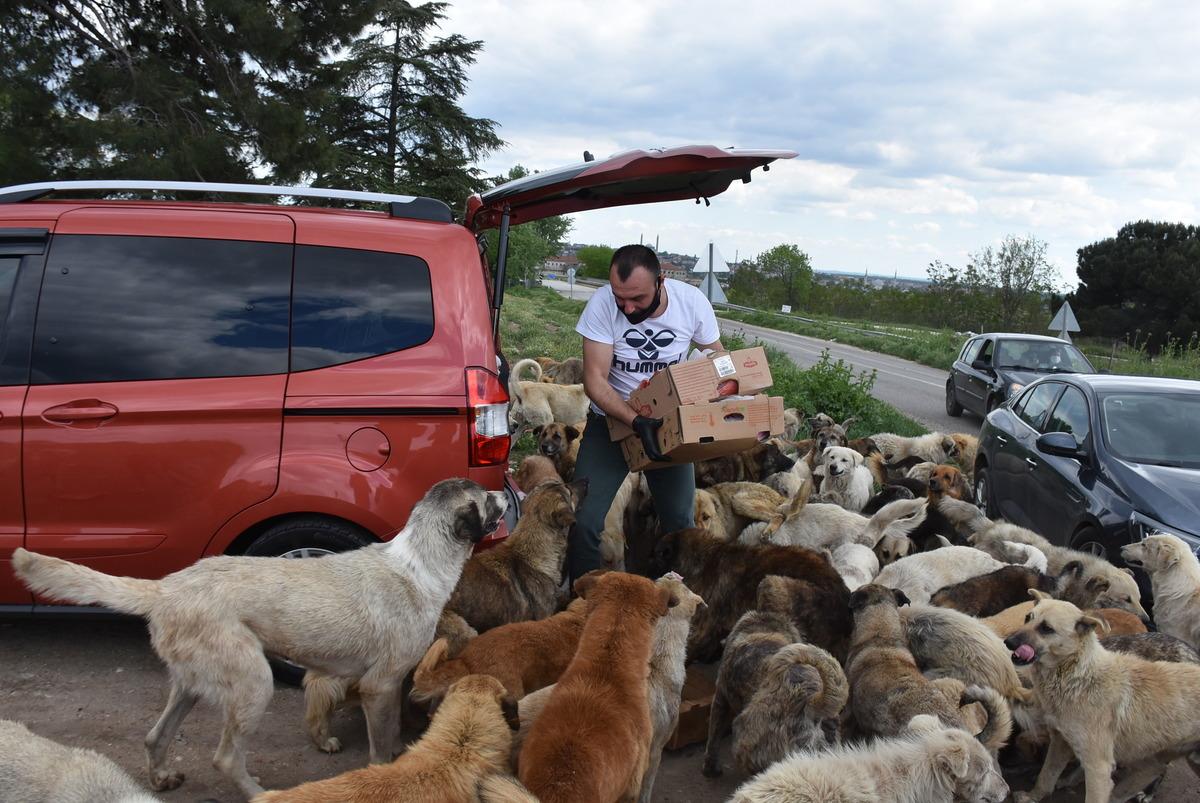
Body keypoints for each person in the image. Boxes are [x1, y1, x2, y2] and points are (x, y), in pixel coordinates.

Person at [566, 244, 723, 582]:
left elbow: (718, 361)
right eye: (620, 297)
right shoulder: (603, 304)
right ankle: (580, 608)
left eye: (636, 298)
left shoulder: (691, 304)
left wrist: (713, 394)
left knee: (681, 524)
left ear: (660, 282)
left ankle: (674, 603)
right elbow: (594, 381)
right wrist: (635, 420)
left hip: (668, 428)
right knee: (584, 521)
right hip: (609, 424)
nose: (627, 307)